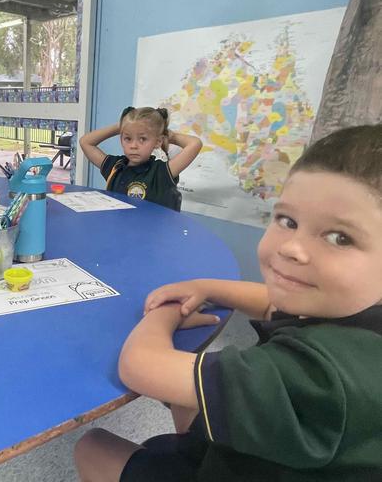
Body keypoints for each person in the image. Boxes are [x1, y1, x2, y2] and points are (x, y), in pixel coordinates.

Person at [74, 124, 382, 481]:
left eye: (339, 237)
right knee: (188, 397)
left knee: (92, 447)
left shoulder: (313, 376)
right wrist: (204, 287)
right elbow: (272, 302)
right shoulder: (356, 316)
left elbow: (139, 366)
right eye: (287, 220)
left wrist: (167, 312)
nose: (291, 247)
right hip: (277, 457)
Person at [79, 106, 202, 211]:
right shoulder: (115, 167)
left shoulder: (161, 171)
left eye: (142, 139)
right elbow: (85, 142)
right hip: (119, 233)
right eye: (128, 138)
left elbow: (195, 144)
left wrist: (171, 136)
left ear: (157, 142)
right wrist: (120, 126)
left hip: (152, 236)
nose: (133, 146)